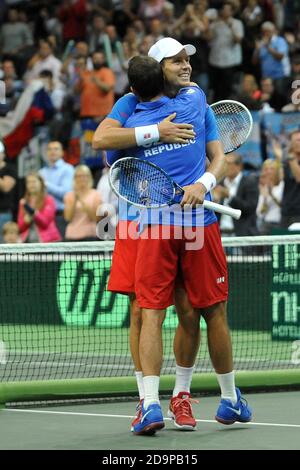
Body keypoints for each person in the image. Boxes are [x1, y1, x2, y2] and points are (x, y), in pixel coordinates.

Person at [93, 39, 252, 435]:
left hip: (193, 222)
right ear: (157, 68)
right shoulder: (131, 106)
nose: (185, 66)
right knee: (143, 310)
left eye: (187, 60)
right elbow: (102, 142)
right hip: (143, 222)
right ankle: (147, 401)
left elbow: (218, 156)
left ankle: (181, 396)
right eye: (176, 61)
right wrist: (156, 132)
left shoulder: (195, 97)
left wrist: (204, 181)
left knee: (192, 311)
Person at [39, 141, 75, 238]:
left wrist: (45, 184)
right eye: (49, 149)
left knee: (61, 251)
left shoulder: (68, 169)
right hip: (42, 217)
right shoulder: (42, 172)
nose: (52, 152)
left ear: (62, 152)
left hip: (60, 216)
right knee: (44, 251)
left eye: (56, 149)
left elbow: (66, 193)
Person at [17, 173, 61, 243]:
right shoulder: (23, 202)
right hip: (28, 243)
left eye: (34, 181)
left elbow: (45, 223)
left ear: (41, 183)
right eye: (29, 182)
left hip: (48, 242)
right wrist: (26, 221)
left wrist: (35, 214)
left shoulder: (49, 200)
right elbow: (20, 227)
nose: (31, 184)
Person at [64, 165, 102, 241]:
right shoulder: (69, 195)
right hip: (71, 235)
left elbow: (96, 218)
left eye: (84, 176)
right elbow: (68, 218)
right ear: (74, 178)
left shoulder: (96, 194)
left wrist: (81, 199)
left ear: (89, 177)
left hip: (90, 235)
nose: (82, 178)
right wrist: (75, 198)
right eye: (79, 176)